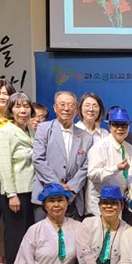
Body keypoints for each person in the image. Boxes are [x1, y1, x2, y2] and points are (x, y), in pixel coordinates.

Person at [32, 91, 93, 220]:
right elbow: (38, 159)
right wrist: (58, 186)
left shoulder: (86, 137)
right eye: (62, 104)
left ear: (76, 109)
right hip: (46, 195)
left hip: (73, 199)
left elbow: (87, 166)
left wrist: (71, 187)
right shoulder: (43, 129)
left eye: (71, 105)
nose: (66, 108)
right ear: (55, 107)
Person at [0, 92, 36, 264]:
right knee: (15, 238)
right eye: (18, 106)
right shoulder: (5, 132)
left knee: (29, 237)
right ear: (11, 110)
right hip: (16, 193)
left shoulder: (31, 130)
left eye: (26, 106)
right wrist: (11, 194)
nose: (23, 110)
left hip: (31, 191)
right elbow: (4, 166)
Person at [86, 107, 132, 218]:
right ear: (109, 126)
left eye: (124, 125)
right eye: (116, 125)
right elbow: (92, 175)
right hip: (100, 206)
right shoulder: (99, 147)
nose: (120, 129)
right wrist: (115, 168)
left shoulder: (130, 148)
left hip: (120, 205)